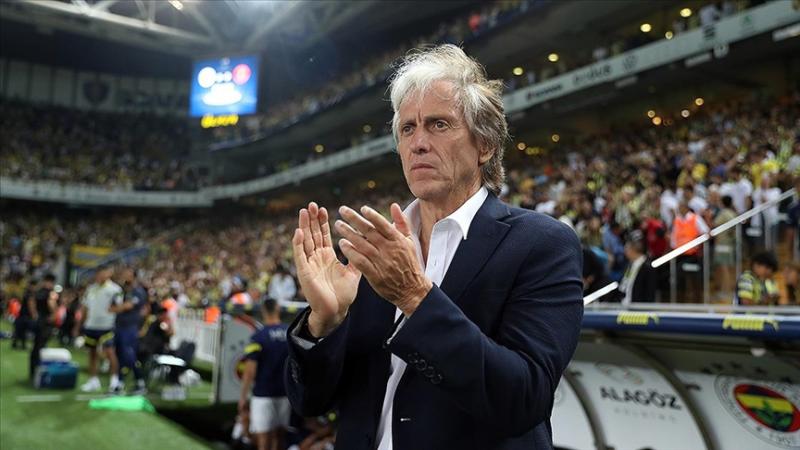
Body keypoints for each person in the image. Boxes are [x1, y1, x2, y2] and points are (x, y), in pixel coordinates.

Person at [285, 45, 583, 450]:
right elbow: (310, 402)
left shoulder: (542, 243)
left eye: (439, 124)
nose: (418, 143)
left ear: (485, 145)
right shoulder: (372, 251)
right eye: (408, 129)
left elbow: (523, 398)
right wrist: (325, 323)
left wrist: (415, 296)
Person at [239, 298, 290, 450]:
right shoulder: (290, 333)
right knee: (279, 437)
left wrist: (243, 397)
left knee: (263, 440)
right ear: (278, 309)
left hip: (263, 394)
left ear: (263, 311)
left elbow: (250, 371)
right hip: (286, 393)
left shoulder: (258, 337)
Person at [78, 266, 124, 393]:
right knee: (92, 354)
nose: (101, 275)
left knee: (110, 353)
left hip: (107, 326)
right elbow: (85, 307)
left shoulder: (115, 289)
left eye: (103, 273)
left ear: (109, 274)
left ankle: (114, 381)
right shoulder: (91, 289)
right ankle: (93, 380)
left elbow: (119, 306)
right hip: (91, 325)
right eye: (99, 273)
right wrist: (80, 324)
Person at [110, 267, 148, 394]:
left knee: (129, 356)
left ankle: (140, 382)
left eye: (127, 273)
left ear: (133, 276)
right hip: (120, 326)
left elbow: (128, 306)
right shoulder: (123, 291)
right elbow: (113, 306)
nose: (125, 275)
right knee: (120, 355)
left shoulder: (138, 291)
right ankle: (120, 384)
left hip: (130, 328)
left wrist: (117, 308)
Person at [29, 273, 59, 381]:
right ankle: (40, 373)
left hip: (38, 321)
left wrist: (35, 314)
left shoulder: (38, 291)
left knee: (35, 348)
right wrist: (54, 314)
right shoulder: (51, 293)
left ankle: (33, 372)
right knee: (41, 348)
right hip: (45, 323)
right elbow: (51, 304)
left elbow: (31, 302)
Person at [618, 232, 658, 304]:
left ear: (633, 248)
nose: (625, 248)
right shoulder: (629, 265)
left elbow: (649, 295)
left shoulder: (647, 268)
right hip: (624, 306)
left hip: (637, 309)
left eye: (626, 245)